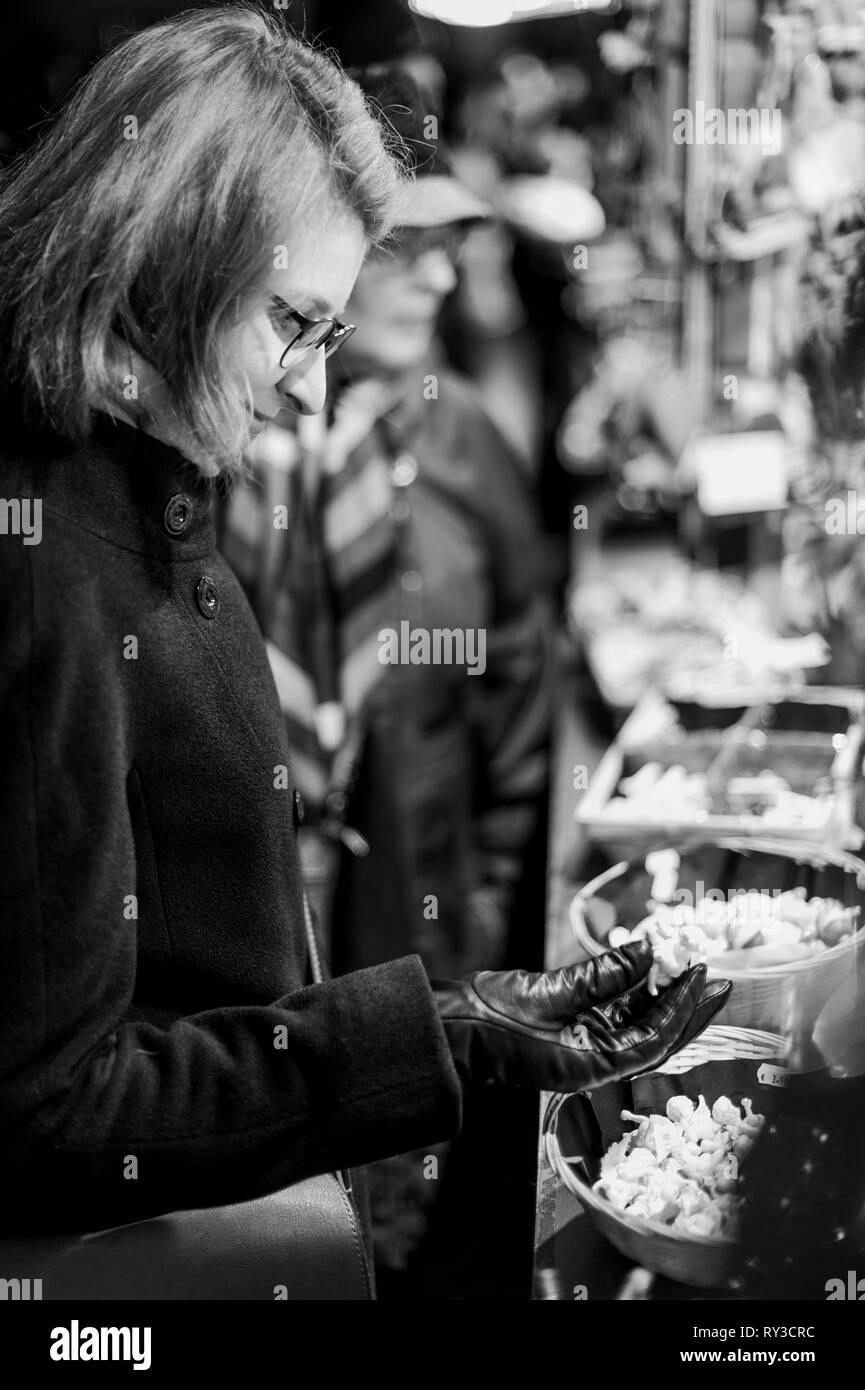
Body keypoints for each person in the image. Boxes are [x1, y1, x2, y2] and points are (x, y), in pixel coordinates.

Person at [0, 7, 727, 1251]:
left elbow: (202, 982)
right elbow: (51, 1116)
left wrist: (458, 1023)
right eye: (293, 321)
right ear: (172, 254)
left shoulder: (145, 485)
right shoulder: (47, 566)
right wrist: (434, 1042)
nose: (313, 384)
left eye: (330, 332)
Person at [224, 68, 552, 981]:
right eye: (409, 245)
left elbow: (520, 685)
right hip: (246, 948)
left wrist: (483, 915)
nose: (441, 276)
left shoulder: (463, 434)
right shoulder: (220, 442)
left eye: (455, 245)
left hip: (417, 928)